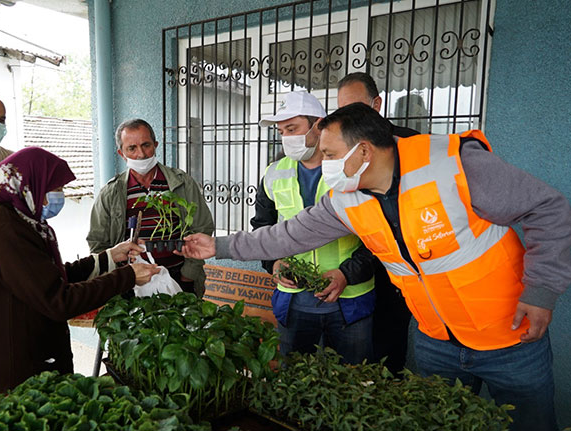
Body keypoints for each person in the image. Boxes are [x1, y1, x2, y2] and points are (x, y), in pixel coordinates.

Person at [179, 103, 571, 431]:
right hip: (436, 340)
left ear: (363, 152)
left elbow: (548, 208)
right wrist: (221, 245)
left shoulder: (456, 164)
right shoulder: (349, 197)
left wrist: (541, 291)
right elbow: (289, 235)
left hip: (510, 336)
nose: (325, 164)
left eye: (330, 155)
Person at [0, 147, 160, 409]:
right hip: (8, 382)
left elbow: (47, 277)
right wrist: (127, 277)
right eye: (56, 187)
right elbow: (58, 300)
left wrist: (109, 257)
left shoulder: (14, 219)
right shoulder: (3, 230)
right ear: (32, 183)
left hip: (19, 366)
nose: (59, 196)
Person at [252, 91, 376, 362]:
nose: (287, 137)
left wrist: (346, 274)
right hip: (294, 301)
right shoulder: (274, 173)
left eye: (293, 128)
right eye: (282, 131)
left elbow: (379, 234)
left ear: (318, 125)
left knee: (353, 383)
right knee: (295, 378)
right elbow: (263, 227)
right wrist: (273, 263)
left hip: (348, 300)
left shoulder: (351, 169)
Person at [336, 72, 419, 373]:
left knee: (388, 355)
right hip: (353, 270)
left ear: (377, 104)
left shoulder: (409, 145)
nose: (350, 118)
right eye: (342, 111)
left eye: (357, 107)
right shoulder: (341, 154)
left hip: (398, 274)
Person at [87, 118, 214, 296]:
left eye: (146, 145)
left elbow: (202, 227)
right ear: (121, 153)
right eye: (132, 148)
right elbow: (97, 242)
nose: (141, 154)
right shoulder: (111, 192)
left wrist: (188, 276)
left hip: (178, 276)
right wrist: (118, 278)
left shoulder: (181, 183)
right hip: (130, 283)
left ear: (155, 145)